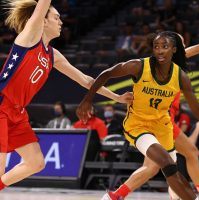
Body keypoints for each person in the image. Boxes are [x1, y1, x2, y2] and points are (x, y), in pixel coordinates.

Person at [77, 30, 199, 200]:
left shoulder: (179, 71)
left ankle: (116, 196)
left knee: (158, 168)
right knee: (177, 160)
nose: (162, 50)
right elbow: (107, 74)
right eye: (158, 46)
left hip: (163, 122)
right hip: (141, 123)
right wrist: (88, 100)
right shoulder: (142, 65)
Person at [0, 0, 132, 191]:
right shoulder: (30, 37)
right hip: (2, 105)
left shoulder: (53, 55)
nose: (61, 22)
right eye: (56, 17)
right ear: (43, 21)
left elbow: (86, 80)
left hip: (17, 112)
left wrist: (117, 97)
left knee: (36, 163)